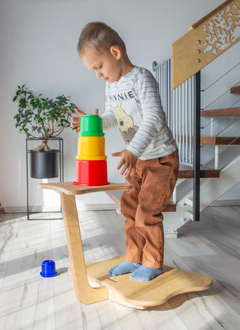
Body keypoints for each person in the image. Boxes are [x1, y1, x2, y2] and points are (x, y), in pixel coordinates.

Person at [72, 22, 179, 281]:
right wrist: (96, 122)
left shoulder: (142, 78)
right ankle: (134, 258)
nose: (97, 74)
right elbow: (114, 117)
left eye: (99, 66)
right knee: (129, 209)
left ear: (115, 53)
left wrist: (132, 149)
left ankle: (152, 263)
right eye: (93, 70)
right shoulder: (112, 85)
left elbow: (153, 119)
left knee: (147, 213)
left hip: (159, 159)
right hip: (136, 160)